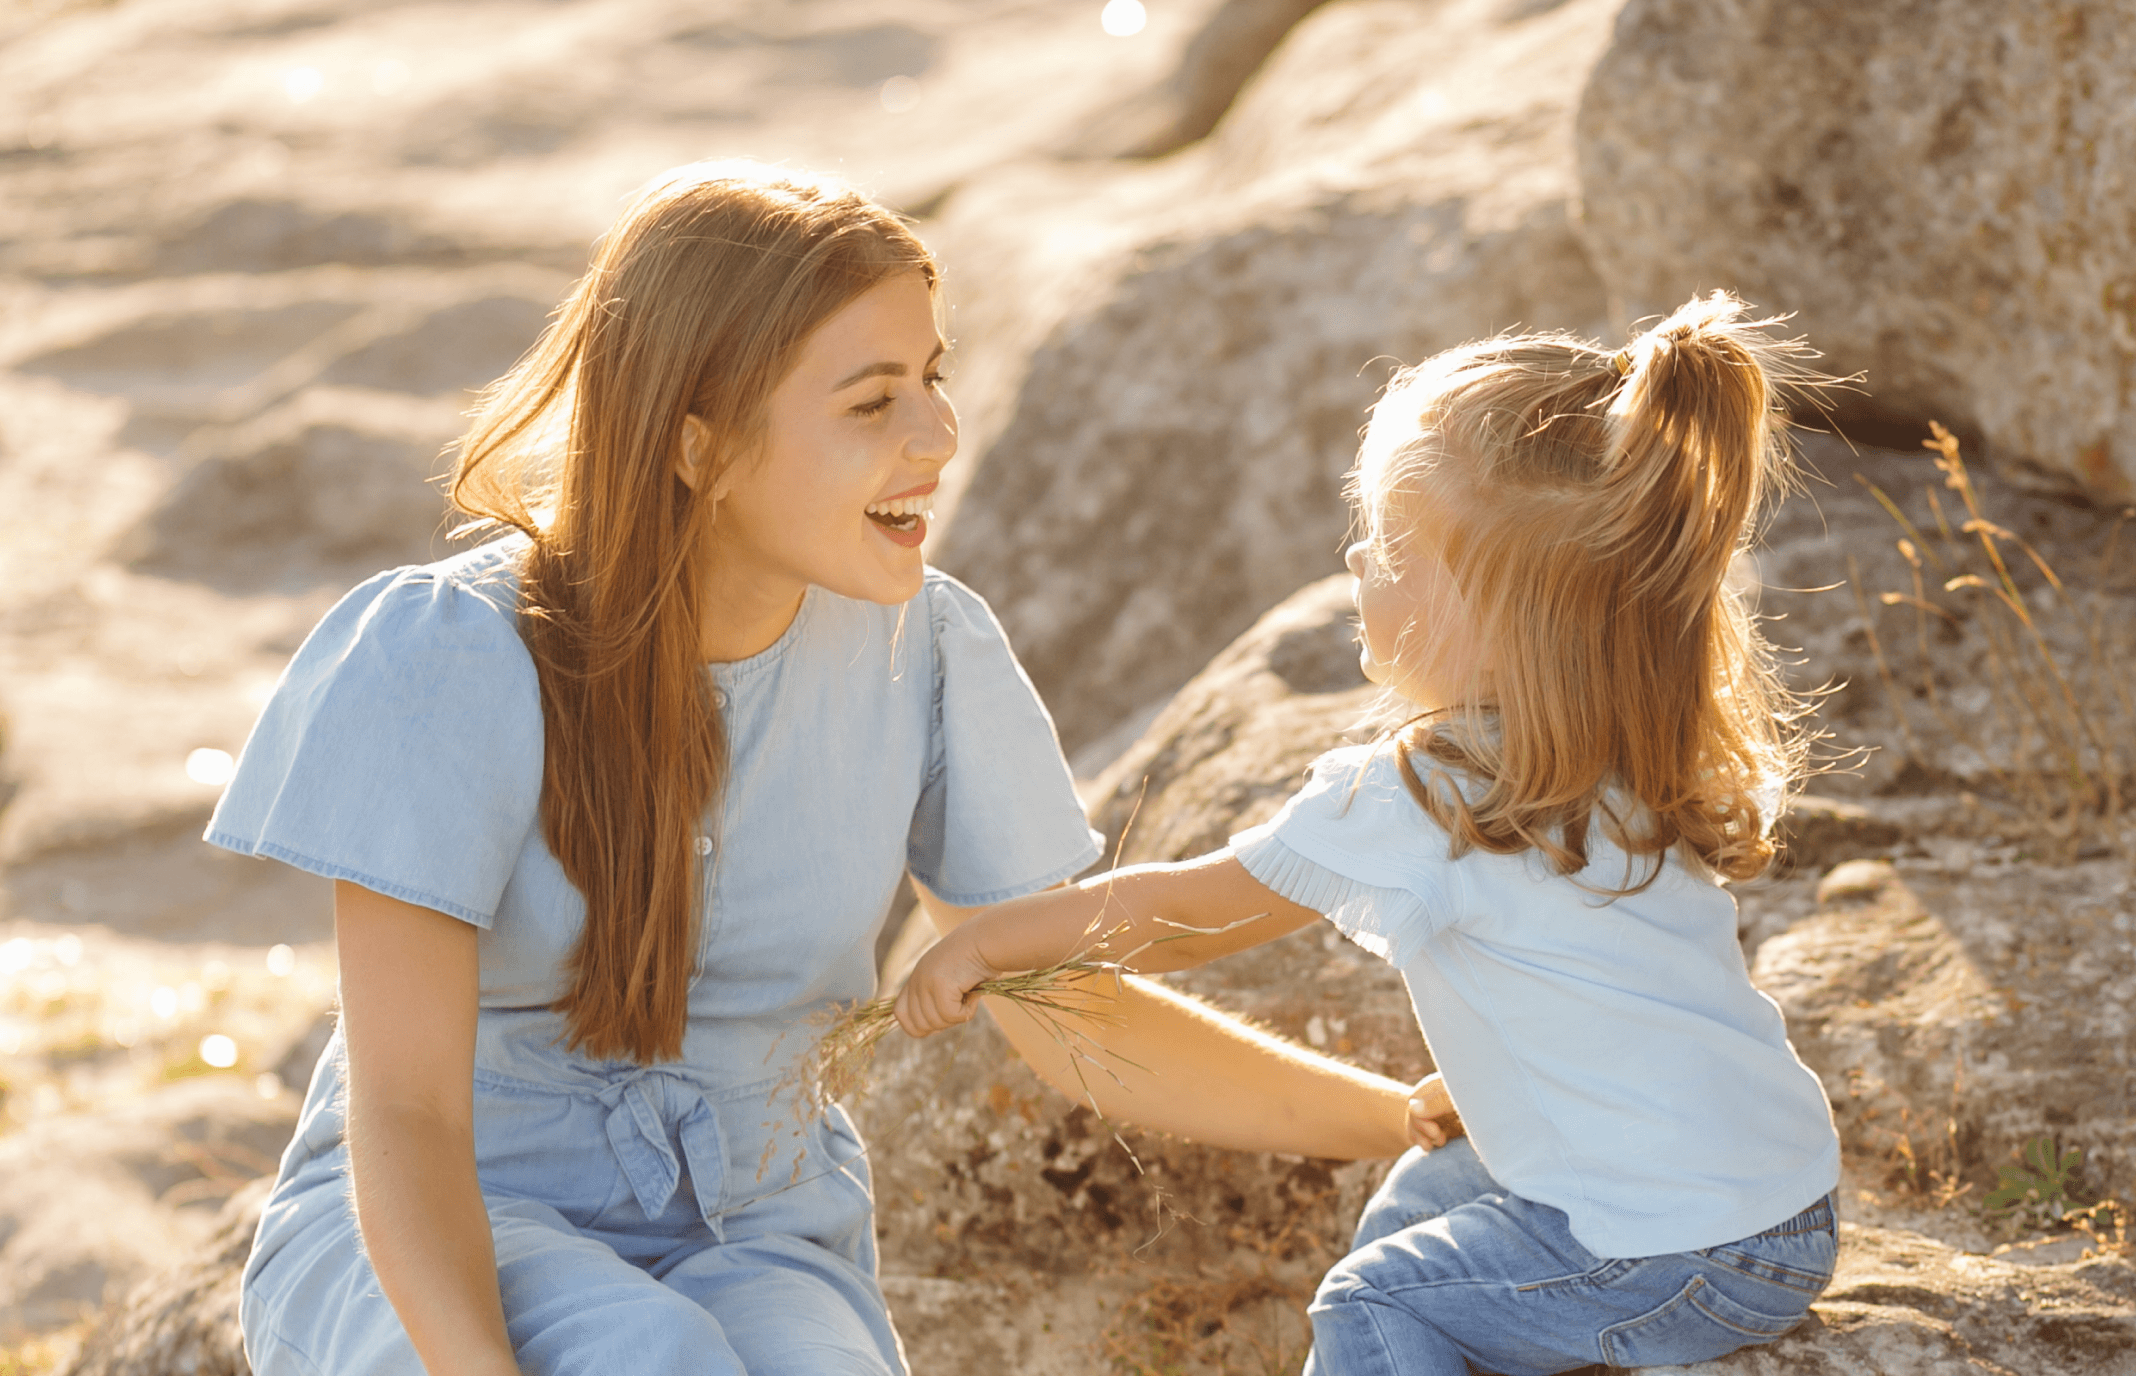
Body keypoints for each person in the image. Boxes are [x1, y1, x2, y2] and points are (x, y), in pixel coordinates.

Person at [205, 160, 1429, 1376]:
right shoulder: (448, 654)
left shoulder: (931, 648)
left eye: (934, 379)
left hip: (754, 1234)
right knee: (649, 1353)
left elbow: (1068, 1008)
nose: (938, 434)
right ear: (700, 446)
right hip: (448, 1229)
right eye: (871, 402)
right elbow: (407, 1113)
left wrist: (1402, 1116)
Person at [897, 292, 1845, 1376]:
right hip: (1781, 1207)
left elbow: (1182, 916)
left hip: (1669, 1249)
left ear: (1507, 610)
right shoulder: (1625, 743)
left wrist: (991, 939)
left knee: (1370, 1299)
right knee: (1427, 1183)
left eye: (1391, 544)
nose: (1356, 558)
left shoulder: (1426, 793)